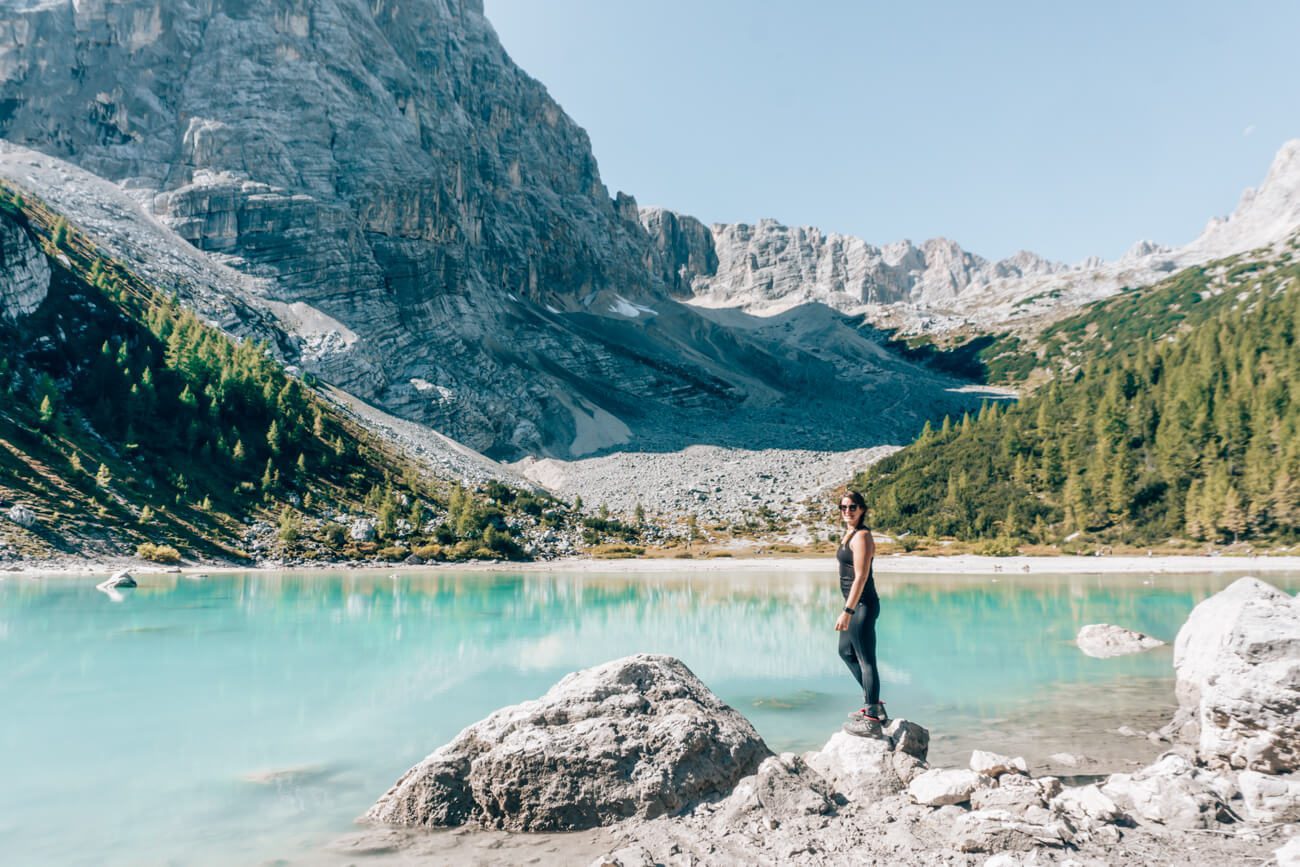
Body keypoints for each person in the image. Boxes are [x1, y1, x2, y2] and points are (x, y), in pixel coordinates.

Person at [835, 490, 888, 737]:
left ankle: (871, 721)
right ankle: (874, 704)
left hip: (862, 606)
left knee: (866, 660)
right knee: (845, 652)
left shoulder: (863, 536)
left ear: (862, 509)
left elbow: (861, 576)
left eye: (852, 507)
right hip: (855, 605)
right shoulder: (850, 534)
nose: (847, 511)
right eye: (843, 507)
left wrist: (848, 610)